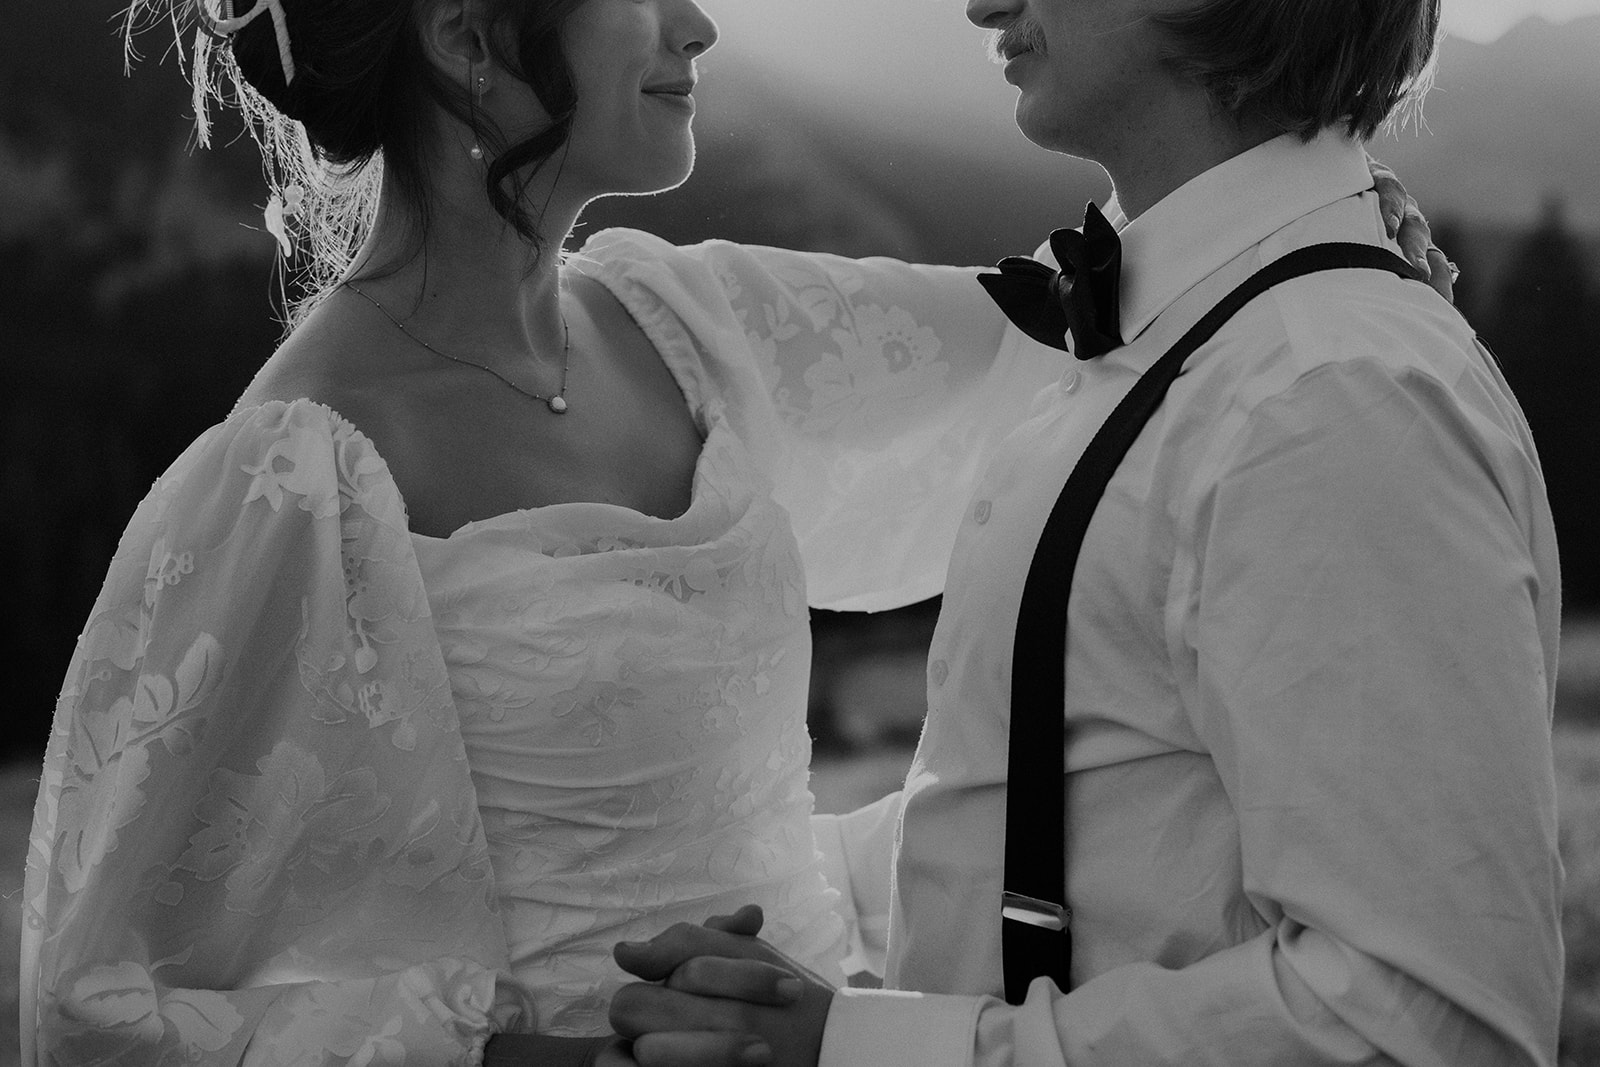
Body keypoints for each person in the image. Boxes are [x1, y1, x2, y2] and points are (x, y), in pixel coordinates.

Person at [18, 0, 1446, 1063]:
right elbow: (99, 1000)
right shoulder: (296, 469)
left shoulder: (683, 323)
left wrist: (1300, 234)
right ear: (468, 40)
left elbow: (1045, 344)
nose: (697, 25)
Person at [607, 1, 1565, 1066]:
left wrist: (868, 1050)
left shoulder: (1326, 394)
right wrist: (734, 884)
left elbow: (1423, 1021)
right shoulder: (1186, 344)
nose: (980, 4)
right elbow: (1080, 811)